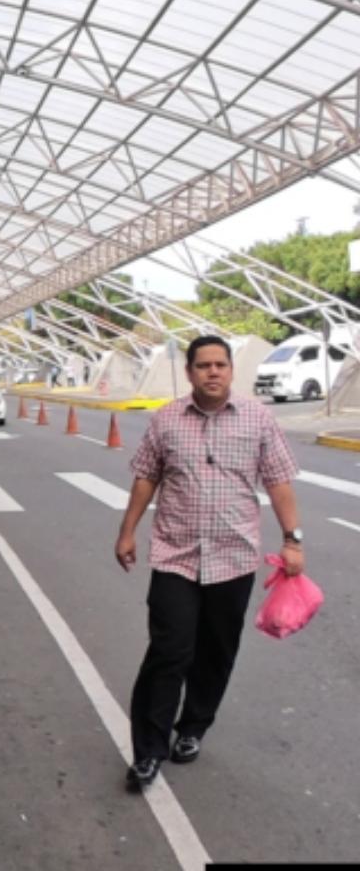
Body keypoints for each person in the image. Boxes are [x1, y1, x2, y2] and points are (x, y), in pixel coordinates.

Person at [114, 335, 305, 792]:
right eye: (204, 366)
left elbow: (279, 483)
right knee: (169, 652)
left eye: (221, 364)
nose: (213, 372)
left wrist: (292, 540)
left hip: (233, 560)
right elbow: (147, 477)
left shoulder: (258, 418)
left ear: (231, 371)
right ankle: (148, 752)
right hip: (175, 556)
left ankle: (194, 728)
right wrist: (127, 532)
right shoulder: (166, 420)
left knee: (216, 652)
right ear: (190, 373)